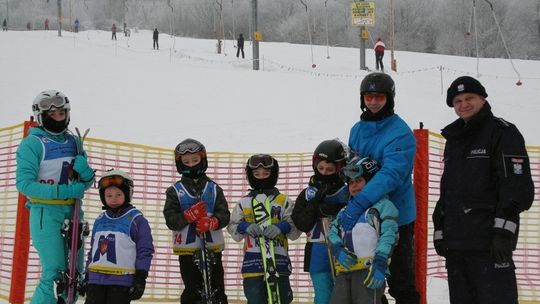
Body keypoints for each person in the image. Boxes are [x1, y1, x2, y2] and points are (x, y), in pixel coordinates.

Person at [433, 76, 534, 304]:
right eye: (457, 101)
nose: (464, 105)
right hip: (456, 245)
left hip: (489, 245)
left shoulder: (503, 133)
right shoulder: (454, 138)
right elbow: (447, 189)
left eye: (469, 98)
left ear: (482, 98)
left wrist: (503, 232)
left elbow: (517, 188)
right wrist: (440, 227)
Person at [346, 72, 419, 304]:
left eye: (379, 97)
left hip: (395, 217)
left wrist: (361, 200)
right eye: (369, 97)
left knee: (400, 280)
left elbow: (392, 174)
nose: (374, 101)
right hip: (365, 217)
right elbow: (353, 168)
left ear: (389, 98)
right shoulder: (357, 129)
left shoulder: (400, 132)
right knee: (366, 277)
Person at [16, 90, 95, 303]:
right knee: (55, 272)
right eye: (53, 115)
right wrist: (64, 191)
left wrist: (86, 172)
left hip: (73, 211)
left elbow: (84, 183)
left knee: (74, 274)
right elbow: (24, 184)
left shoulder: (74, 142)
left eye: (62, 113)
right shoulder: (32, 144)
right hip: (45, 211)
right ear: (41, 117)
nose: (58, 118)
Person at [163, 138, 230, 304]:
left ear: (203, 159)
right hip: (187, 249)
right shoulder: (174, 191)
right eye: (186, 162)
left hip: (212, 247)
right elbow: (170, 219)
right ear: (180, 164)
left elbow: (225, 214)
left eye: (195, 160)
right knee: (192, 289)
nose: (191, 165)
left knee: (216, 288)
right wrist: (187, 216)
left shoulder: (214, 188)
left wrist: (213, 221)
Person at [228, 154, 301, 304]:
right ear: (250, 175)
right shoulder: (244, 202)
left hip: (278, 261)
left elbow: (295, 229)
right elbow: (232, 226)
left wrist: (282, 227)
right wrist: (245, 226)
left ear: (273, 174)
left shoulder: (283, 201)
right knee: (255, 298)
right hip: (252, 262)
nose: (261, 177)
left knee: (281, 298)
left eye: (266, 174)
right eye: (257, 174)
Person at [328, 156, 399, 304]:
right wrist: (337, 248)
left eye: (359, 180)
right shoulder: (345, 211)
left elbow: (388, 235)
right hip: (344, 270)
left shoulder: (382, 207)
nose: (353, 186)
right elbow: (332, 232)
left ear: (373, 182)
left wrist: (380, 261)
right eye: (351, 182)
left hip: (369, 272)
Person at [291, 140, 349, 304]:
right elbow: (301, 224)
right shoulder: (308, 194)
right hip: (317, 251)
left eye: (330, 170)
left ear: (339, 169)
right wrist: (315, 204)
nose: (324, 173)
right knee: (323, 295)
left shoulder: (346, 191)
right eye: (321, 168)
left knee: (344, 294)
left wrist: (334, 208)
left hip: (344, 250)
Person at [84, 169, 154, 304]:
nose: (113, 199)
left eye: (118, 194)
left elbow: (145, 250)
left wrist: (140, 277)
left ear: (128, 194)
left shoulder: (136, 220)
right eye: (109, 195)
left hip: (121, 282)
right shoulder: (100, 219)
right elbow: (93, 250)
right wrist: (87, 274)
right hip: (95, 281)